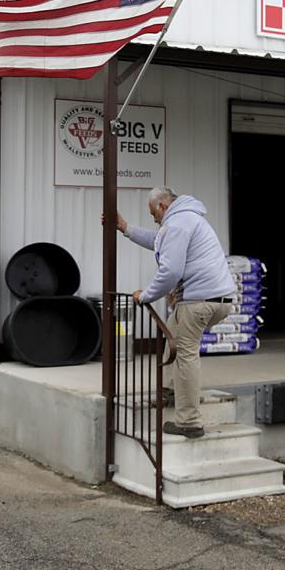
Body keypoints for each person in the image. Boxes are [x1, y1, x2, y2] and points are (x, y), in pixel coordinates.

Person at [113, 187, 234, 438]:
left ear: (162, 207)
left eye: (152, 214)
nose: (154, 220)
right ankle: (169, 390)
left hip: (199, 300)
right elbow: (158, 240)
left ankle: (189, 422)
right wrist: (126, 228)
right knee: (173, 332)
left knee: (185, 353)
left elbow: (170, 272)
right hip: (218, 299)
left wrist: (144, 296)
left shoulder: (178, 223)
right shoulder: (187, 218)